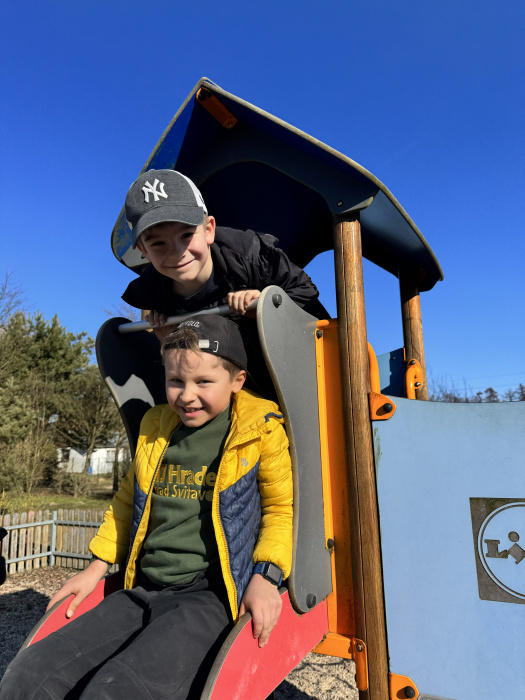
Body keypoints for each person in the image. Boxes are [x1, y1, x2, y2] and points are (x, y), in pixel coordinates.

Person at [0, 315, 293, 700]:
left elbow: (280, 509)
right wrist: (96, 567)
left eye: (204, 382)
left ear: (237, 381)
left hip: (208, 595)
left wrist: (266, 577)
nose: (187, 395)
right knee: (26, 676)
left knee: (116, 689)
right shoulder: (156, 427)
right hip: (144, 585)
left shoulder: (259, 430)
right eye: (176, 381)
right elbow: (127, 501)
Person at [122, 168, 329, 394]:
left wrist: (268, 305)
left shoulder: (252, 257)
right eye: (158, 244)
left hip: (299, 378)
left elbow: (306, 294)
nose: (177, 252)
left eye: (186, 235)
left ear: (209, 230)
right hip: (224, 395)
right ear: (143, 250)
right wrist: (169, 342)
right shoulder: (152, 294)